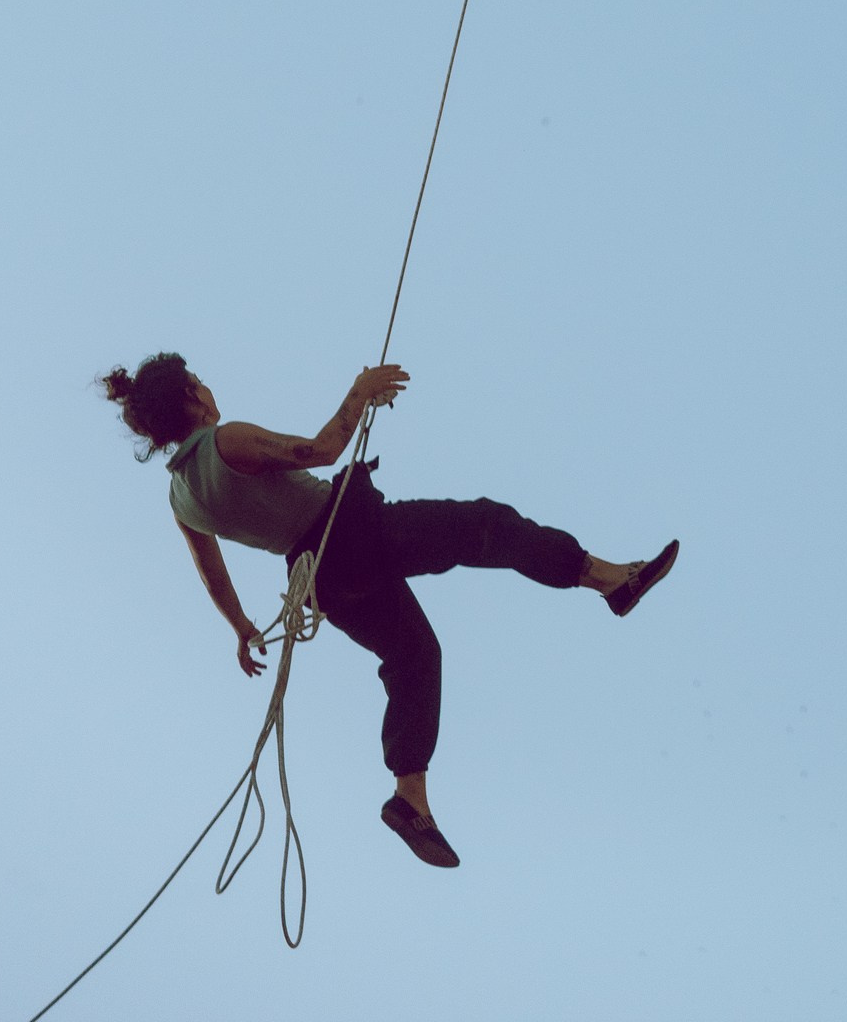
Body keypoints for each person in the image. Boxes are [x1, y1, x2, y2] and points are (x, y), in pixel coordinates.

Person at [101, 351, 678, 870]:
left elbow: (211, 573)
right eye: (199, 381)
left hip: (322, 579)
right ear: (190, 398)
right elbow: (321, 451)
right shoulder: (226, 440)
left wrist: (242, 628)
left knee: (414, 657)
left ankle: (411, 798)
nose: (209, 387)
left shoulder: (180, 499)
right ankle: (608, 580)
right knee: (484, 525)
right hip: (350, 532)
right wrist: (360, 391)